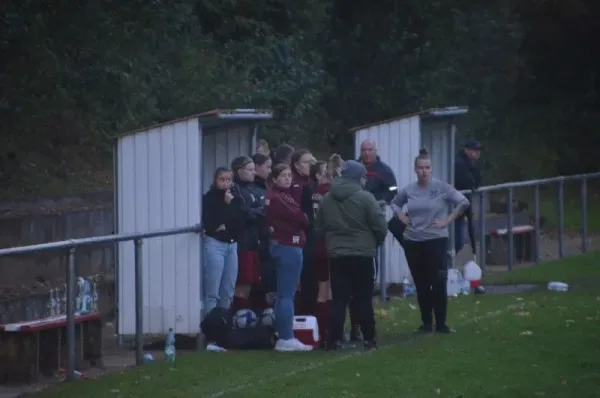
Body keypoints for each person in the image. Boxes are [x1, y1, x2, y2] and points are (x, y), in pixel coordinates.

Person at [391, 148, 470, 334]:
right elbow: (394, 203)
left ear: (431, 169)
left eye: (427, 167)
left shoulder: (441, 187)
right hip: (413, 240)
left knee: (438, 280)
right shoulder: (409, 190)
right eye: (420, 168)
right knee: (421, 282)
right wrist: (401, 216)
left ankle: (441, 323)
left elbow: (463, 202)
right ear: (415, 169)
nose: (424, 171)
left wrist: (447, 220)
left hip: (436, 239)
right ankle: (426, 323)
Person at [315, 160, 388, 350]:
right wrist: (375, 240)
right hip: (363, 253)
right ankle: (369, 338)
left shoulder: (327, 198)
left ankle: (334, 340)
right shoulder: (366, 198)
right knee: (363, 297)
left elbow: (320, 226)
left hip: (337, 254)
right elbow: (380, 226)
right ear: (359, 178)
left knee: (339, 298)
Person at [266, 163, 312, 351]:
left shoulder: (284, 196)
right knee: (287, 295)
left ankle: (282, 333)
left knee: (283, 294)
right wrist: (303, 219)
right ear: (275, 178)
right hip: (287, 246)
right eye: (283, 175)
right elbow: (301, 218)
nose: (287, 178)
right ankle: (286, 337)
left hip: (285, 245)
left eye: (288, 175)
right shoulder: (277, 197)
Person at [201, 167, 245, 317]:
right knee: (212, 292)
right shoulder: (209, 198)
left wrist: (226, 222)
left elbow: (241, 220)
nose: (225, 183)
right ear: (215, 181)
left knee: (228, 291)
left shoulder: (236, 197)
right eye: (222, 179)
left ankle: (224, 327)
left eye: (228, 180)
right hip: (215, 244)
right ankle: (211, 330)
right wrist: (226, 207)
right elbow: (212, 223)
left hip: (232, 245)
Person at [230, 156, 264, 311]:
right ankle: (238, 316)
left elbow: (263, 210)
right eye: (250, 170)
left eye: (254, 170)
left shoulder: (251, 189)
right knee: (241, 285)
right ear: (239, 171)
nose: (253, 173)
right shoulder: (234, 189)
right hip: (242, 243)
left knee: (250, 284)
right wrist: (256, 212)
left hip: (253, 241)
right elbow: (245, 213)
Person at [290, 149, 318, 316]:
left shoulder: (312, 183)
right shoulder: (296, 185)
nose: (311, 165)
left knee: (313, 280)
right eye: (307, 162)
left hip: (313, 235)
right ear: (296, 165)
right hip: (301, 237)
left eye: (312, 162)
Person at [249, 153, 275, 310]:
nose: (269, 171)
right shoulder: (252, 189)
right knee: (256, 285)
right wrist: (265, 210)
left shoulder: (265, 187)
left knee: (267, 284)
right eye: (267, 167)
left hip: (266, 242)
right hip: (256, 242)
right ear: (257, 167)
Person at [454, 139, 483, 254]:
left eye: (478, 150)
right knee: (457, 242)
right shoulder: (460, 163)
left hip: (462, 204)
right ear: (466, 150)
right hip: (455, 205)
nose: (477, 152)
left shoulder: (470, 164)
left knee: (459, 241)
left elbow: (477, 182)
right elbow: (466, 182)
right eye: (474, 150)